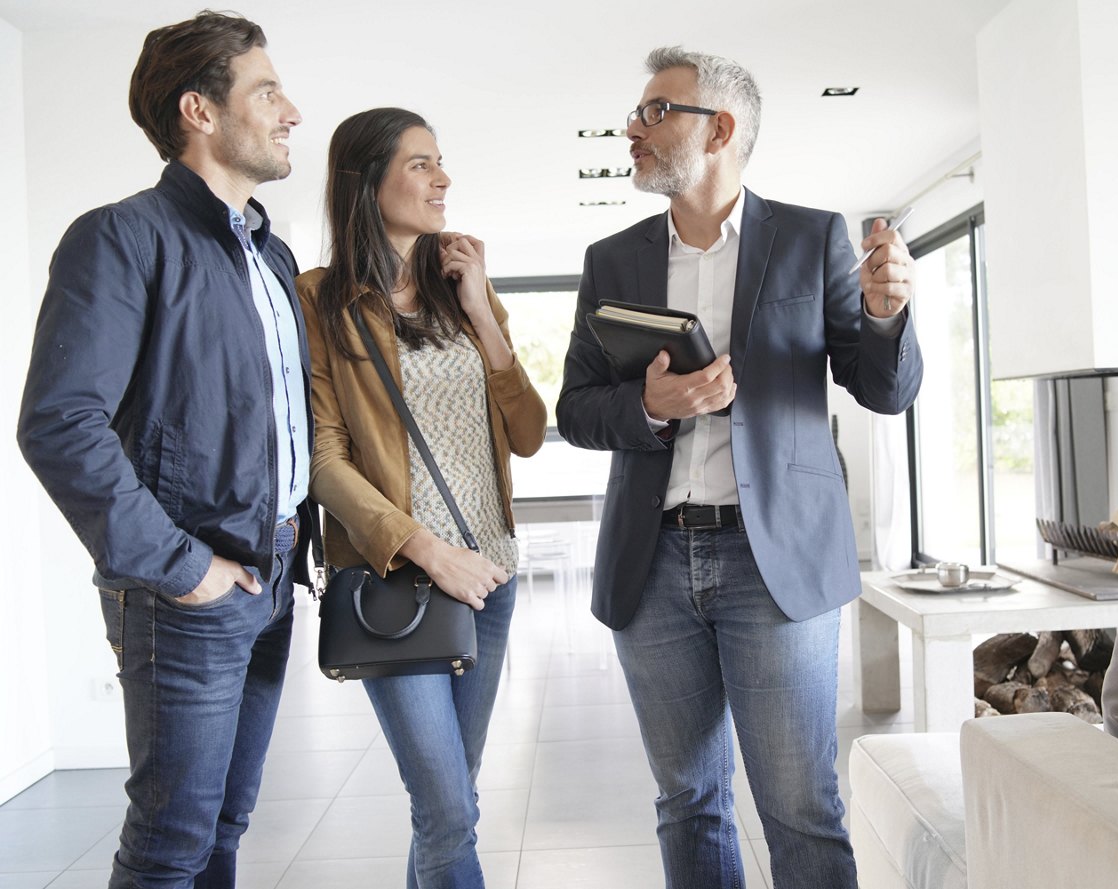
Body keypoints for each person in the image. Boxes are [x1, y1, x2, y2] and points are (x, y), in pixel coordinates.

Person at [556, 46, 924, 888]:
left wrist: (884, 313)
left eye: (655, 111)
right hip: (652, 568)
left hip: (776, 564)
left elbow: (883, 390)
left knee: (800, 807)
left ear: (718, 129)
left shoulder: (810, 237)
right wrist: (655, 406)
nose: (632, 127)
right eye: (638, 112)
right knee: (687, 799)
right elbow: (573, 410)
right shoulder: (610, 260)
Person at [16, 11, 312, 889]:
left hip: (270, 574)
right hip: (187, 590)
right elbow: (61, 423)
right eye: (267, 91)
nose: (291, 110)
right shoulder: (120, 238)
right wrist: (183, 567)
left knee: (223, 826)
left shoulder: (271, 254)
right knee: (168, 847)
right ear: (200, 111)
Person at [297, 107, 547, 888]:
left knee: (453, 801)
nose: (443, 180)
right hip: (400, 578)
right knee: (445, 807)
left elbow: (531, 429)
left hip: (492, 574)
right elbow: (322, 455)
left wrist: (480, 307)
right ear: (367, 184)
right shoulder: (317, 297)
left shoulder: (461, 288)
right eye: (420, 164)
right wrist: (426, 548)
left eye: (441, 163)